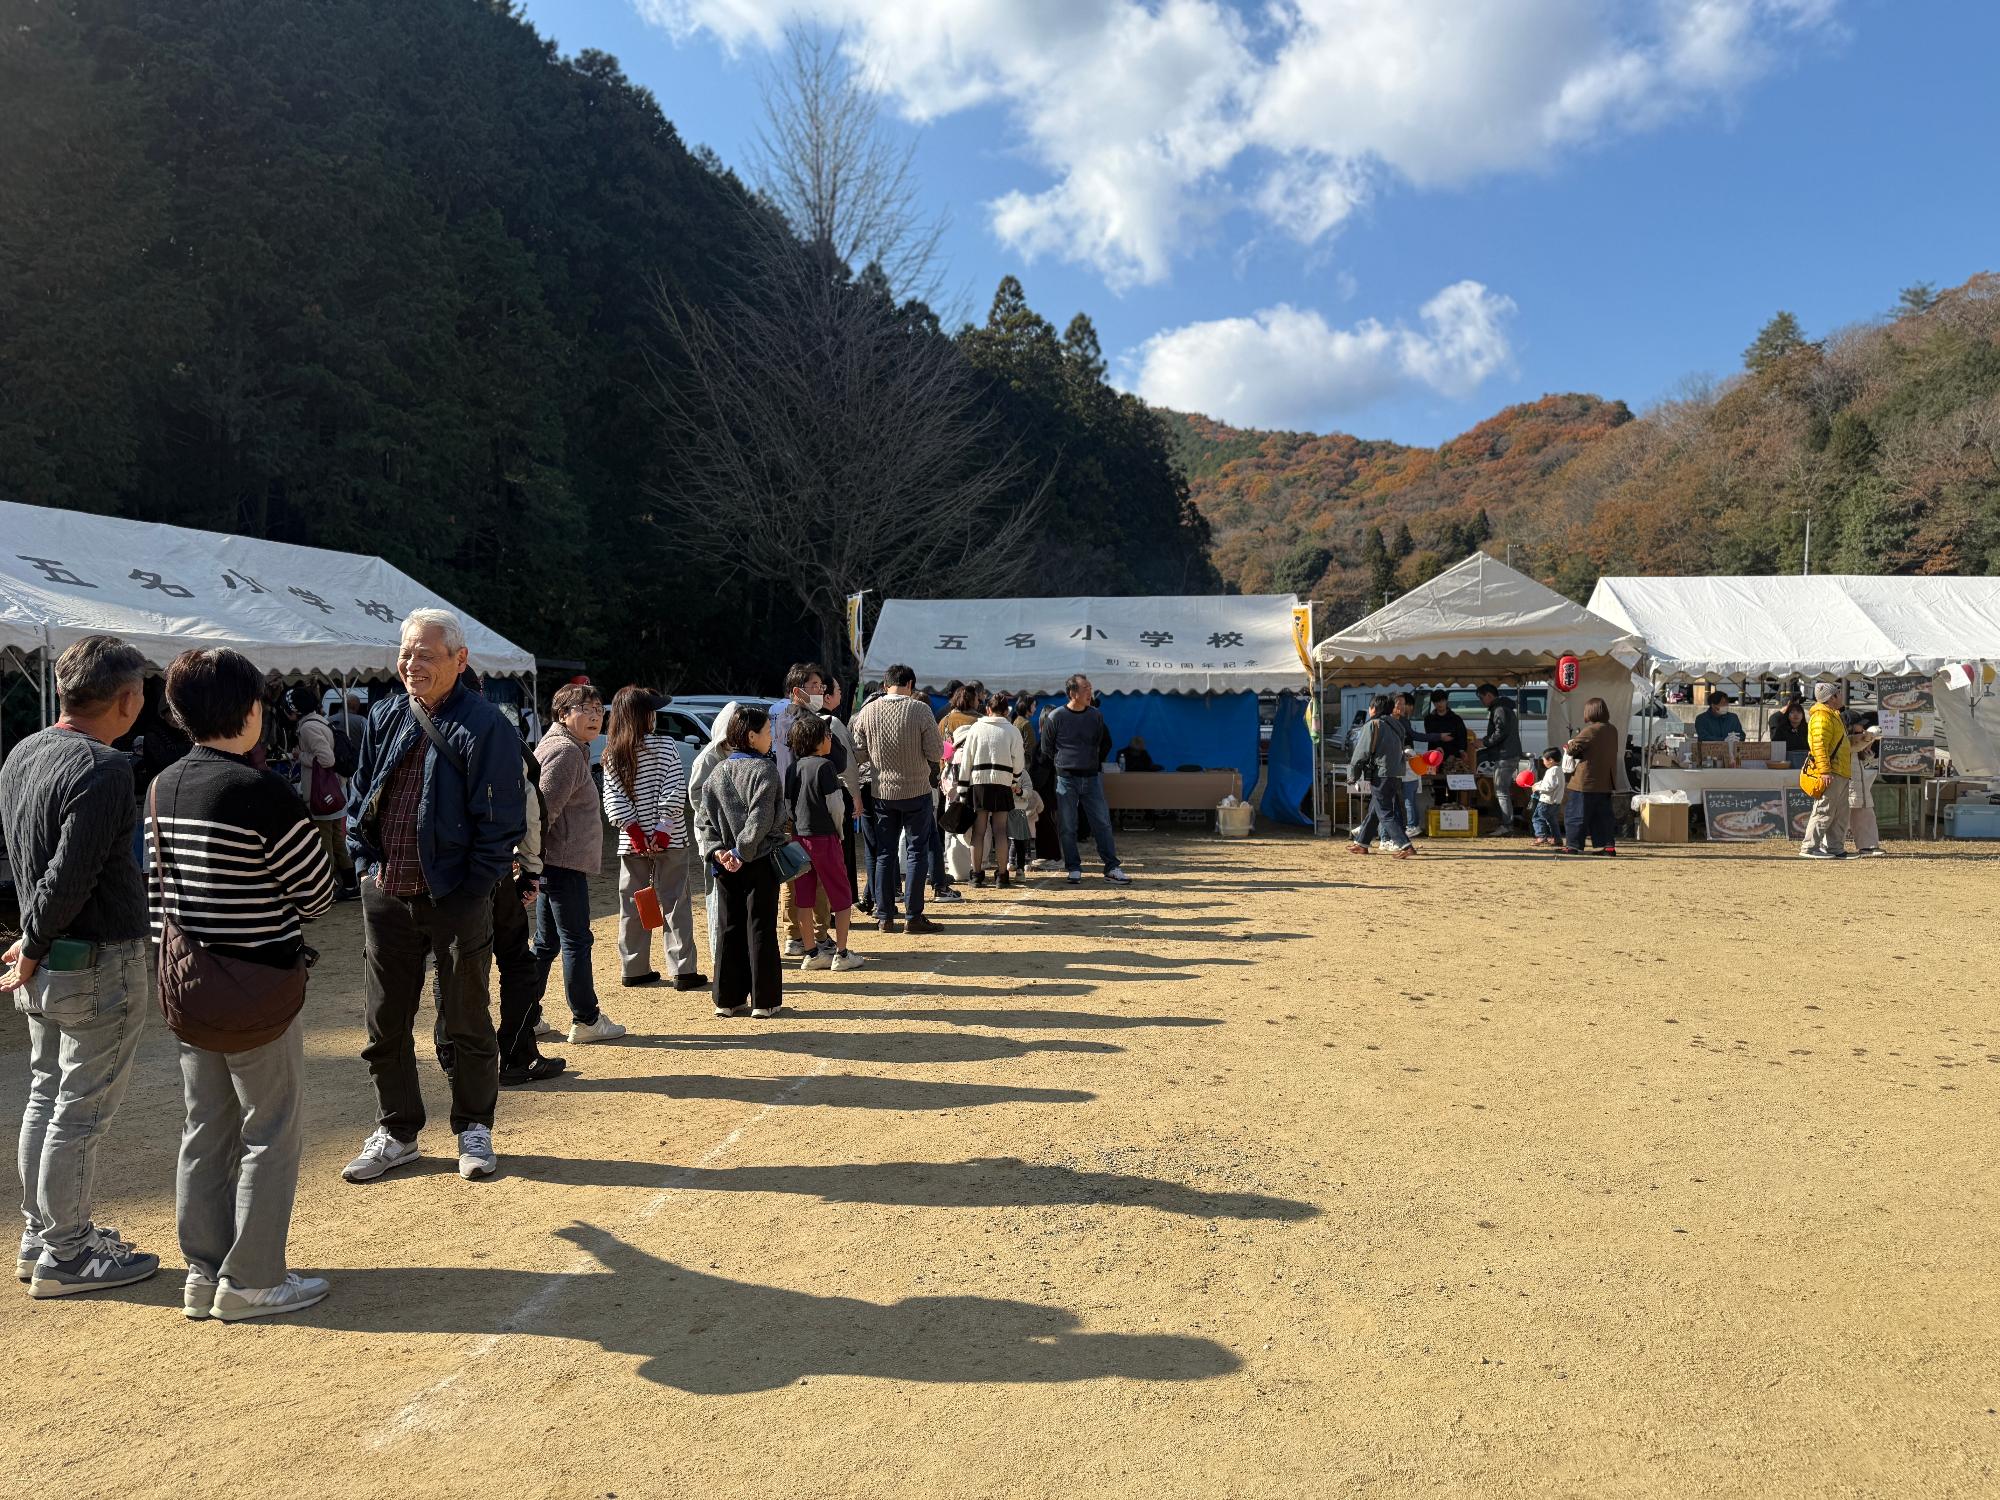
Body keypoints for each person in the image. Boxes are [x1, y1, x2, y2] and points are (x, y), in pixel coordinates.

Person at [148, 648, 337, 1319]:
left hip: (189, 983)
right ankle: (253, 1279)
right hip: (257, 988)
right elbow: (316, 894)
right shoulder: (261, 792)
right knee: (271, 1129)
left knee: (206, 1128)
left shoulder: (163, 784)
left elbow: (158, 894)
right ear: (252, 710)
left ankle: (203, 1273)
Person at [342, 608, 527, 1185]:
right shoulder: (385, 715)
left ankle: (474, 1125)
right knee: (385, 1020)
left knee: (467, 1018)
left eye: (426, 654)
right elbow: (362, 795)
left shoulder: (487, 726)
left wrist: (472, 892)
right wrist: (367, 864)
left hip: (455, 898)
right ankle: (397, 1130)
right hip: (387, 894)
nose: (412, 663)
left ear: (459, 660)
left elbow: (501, 824)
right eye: (406, 652)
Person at [0, 635, 158, 1296]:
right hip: (92, 961)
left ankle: (43, 1235)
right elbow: (71, 872)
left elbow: (26, 859)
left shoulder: (24, 752)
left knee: (47, 1094)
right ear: (125, 700)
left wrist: (27, 940)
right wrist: (32, 941)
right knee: (79, 1111)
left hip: (49, 963)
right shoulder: (105, 768)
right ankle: (66, 1250)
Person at [531, 682, 624, 1043]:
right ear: (563, 714)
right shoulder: (565, 751)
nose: (595, 716)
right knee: (575, 941)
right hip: (559, 862)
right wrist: (531, 861)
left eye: (599, 710)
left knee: (547, 943)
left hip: (554, 861)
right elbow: (543, 812)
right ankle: (586, 1019)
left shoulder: (571, 747)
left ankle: (526, 1013)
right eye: (586, 709)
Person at [601, 686, 706, 993]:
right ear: (643, 716)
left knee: (633, 903)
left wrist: (636, 834)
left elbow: (614, 800)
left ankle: (633, 967)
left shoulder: (611, 753)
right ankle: (682, 969)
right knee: (676, 901)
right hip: (670, 839)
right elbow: (674, 791)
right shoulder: (665, 746)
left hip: (631, 843)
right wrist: (660, 831)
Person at [695, 706, 787, 1016]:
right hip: (758, 860)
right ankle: (765, 1001)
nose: (771, 737)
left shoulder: (717, 772)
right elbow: (761, 818)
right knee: (760, 927)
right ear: (752, 736)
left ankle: (727, 999)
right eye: (766, 732)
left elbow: (704, 819)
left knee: (729, 927)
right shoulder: (765, 770)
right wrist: (741, 851)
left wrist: (720, 850)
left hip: (724, 863)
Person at [852, 664, 944, 933]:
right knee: (917, 853)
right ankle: (913, 916)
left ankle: (884, 916)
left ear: (884, 685)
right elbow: (936, 751)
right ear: (911, 684)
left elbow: (859, 754)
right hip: (916, 790)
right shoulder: (920, 710)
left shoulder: (868, 711)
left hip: (881, 792)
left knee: (884, 853)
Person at [783, 711, 864, 971]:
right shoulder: (826, 767)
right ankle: (841, 952)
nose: (830, 739)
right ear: (819, 740)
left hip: (799, 837)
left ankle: (811, 951)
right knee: (840, 894)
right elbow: (835, 806)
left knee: (803, 897)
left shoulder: (792, 767)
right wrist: (839, 832)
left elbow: (788, 805)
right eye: (828, 735)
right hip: (824, 837)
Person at [1040, 674, 1131, 886]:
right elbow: (1047, 748)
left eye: (1090, 687)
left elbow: (1104, 742)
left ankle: (1111, 867)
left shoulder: (1095, 716)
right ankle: (1073, 867)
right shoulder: (1056, 716)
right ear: (1073, 693)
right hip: (1066, 779)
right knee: (1068, 826)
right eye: (1086, 688)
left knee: (1102, 823)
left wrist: (1092, 761)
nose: (1090, 692)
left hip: (1091, 778)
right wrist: (1063, 763)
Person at [771, 663, 835, 959]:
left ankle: (794, 936)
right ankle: (818, 935)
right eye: (813, 685)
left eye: (821, 685)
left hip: (782, 806)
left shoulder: (778, 717)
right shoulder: (806, 722)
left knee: (790, 872)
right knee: (814, 873)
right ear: (797, 690)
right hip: (805, 808)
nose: (820, 690)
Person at [282, 684, 360, 902]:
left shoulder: (308, 727)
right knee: (337, 840)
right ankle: (351, 884)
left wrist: (300, 756)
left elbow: (327, 759)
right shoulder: (319, 720)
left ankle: (328, 889)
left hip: (323, 795)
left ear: (295, 709)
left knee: (325, 843)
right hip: (335, 792)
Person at [956, 691, 1027, 889]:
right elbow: (1019, 763)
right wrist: (1014, 781)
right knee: (1001, 831)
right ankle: (1002, 876)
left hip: (979, 783)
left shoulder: (976, 728)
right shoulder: (1013, 730)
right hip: (1003, 784)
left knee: (979, 832)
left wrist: (962, 790)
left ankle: (976, 875)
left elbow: (966, 761)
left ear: (987, 709)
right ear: (1006, 711)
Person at [687, 701, 741, 961]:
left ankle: (735, 950)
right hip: (713, 840)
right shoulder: (708, 757)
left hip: (738, 840)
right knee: (717, 897)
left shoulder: (742, 753)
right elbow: (696, 796)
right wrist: (721, 817)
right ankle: (719, 952)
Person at [1345, 693, 1414, 859]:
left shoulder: (1373, 725)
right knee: (1375, 810)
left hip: (1380, 774)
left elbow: (1360, 753)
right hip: (1395, 774)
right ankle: (1362, 843)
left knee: (1384, 812)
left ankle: (1405, 845)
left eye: (1370, 707)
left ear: (1374, 709)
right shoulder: (1398, 726)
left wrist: (1352, 776)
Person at [1799, 682, 1852, 861]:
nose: (1842, 696)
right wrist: (1824, 771)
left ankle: (1835, 847)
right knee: (1824, 810)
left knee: (1840, 813)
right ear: (1833, 698)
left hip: (1840, 771)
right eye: (1839, 693)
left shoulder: (1832, 715)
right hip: (1831, 771)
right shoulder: (1822, 717)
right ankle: (1809, 847)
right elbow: (1819, 747)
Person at [1562, 696, 1620, 855]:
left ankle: (1573, 846)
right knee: (1603, 817)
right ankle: (1607, 847)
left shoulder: (1590, 730)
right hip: (1605, 781)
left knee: (1576, 815)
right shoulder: (1612, 729)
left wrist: (1570, 743)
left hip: (1585, 781)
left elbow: (1572, 749)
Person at [1478, 683, 1526, 835]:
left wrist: (1484, 742)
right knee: (1502, 790)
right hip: (1508, 754)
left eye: (1481, 698)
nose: (1481, 701)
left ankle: (1507, 825)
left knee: (1501, 791)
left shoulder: (1499, 709)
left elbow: (1500, 732)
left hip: (1505, 755)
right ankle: (1506, 823)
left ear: (1489, 695)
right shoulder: (1504, 708)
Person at [1846, 715, 1884, 857]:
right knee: (1841, 816)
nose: (1862, 728)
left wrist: (1868, 744)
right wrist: (1868, 738)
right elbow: (1852, 747)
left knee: (1866, 814)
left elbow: (1863, 757)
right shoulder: (1845, 739)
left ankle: (1868, 845)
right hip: (1848, 782)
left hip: (1859, 783)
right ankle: (1830, 846)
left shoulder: (1860, 738)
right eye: (1858, 725)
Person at [1530, 747, 1566, 847]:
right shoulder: (1559, 770)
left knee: (1538, 818)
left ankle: (1541, 836)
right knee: (1552, 820)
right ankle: (1557, 839)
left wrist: (1537, 788)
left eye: (1544, 760)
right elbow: (1549, 783)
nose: (1543, 762)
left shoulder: (1551, 771)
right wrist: (1538, 784)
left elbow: (1548, 787)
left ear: (1550, 760)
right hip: (1556, 802)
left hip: (1546, 801)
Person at [1771, 696, 1808, 768]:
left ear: (1803, 715)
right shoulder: (1781, 730)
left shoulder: (1808, 729)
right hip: (1786, 764)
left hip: (1805, 764)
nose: (1795, 714)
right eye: (1792, 712)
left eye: (1799, 712)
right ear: (1787, 715)